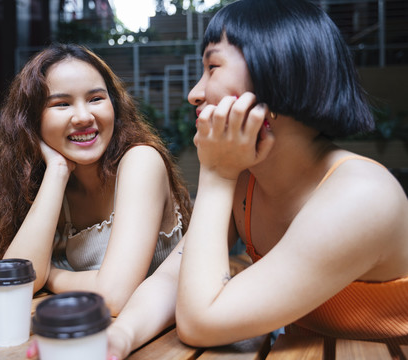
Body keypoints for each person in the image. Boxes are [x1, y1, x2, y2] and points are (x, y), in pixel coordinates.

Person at [104, 0, 408, 358]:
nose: (194, 94)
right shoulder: (245, 179)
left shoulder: (362, 194)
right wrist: (119, 337)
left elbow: (202, 320)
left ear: (276, 73)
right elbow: (173, 280)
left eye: (212, 67)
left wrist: (216, 174)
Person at [0, 43, 192, 316]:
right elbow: (16, 279)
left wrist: (50, 275)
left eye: (95, 99)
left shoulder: (141, 161)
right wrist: (57, 171)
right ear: (32, 122)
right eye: (62, 104)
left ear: (114, 105)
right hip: (95, 334)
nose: (84, 117)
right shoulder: (59, 182)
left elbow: (115, 296)